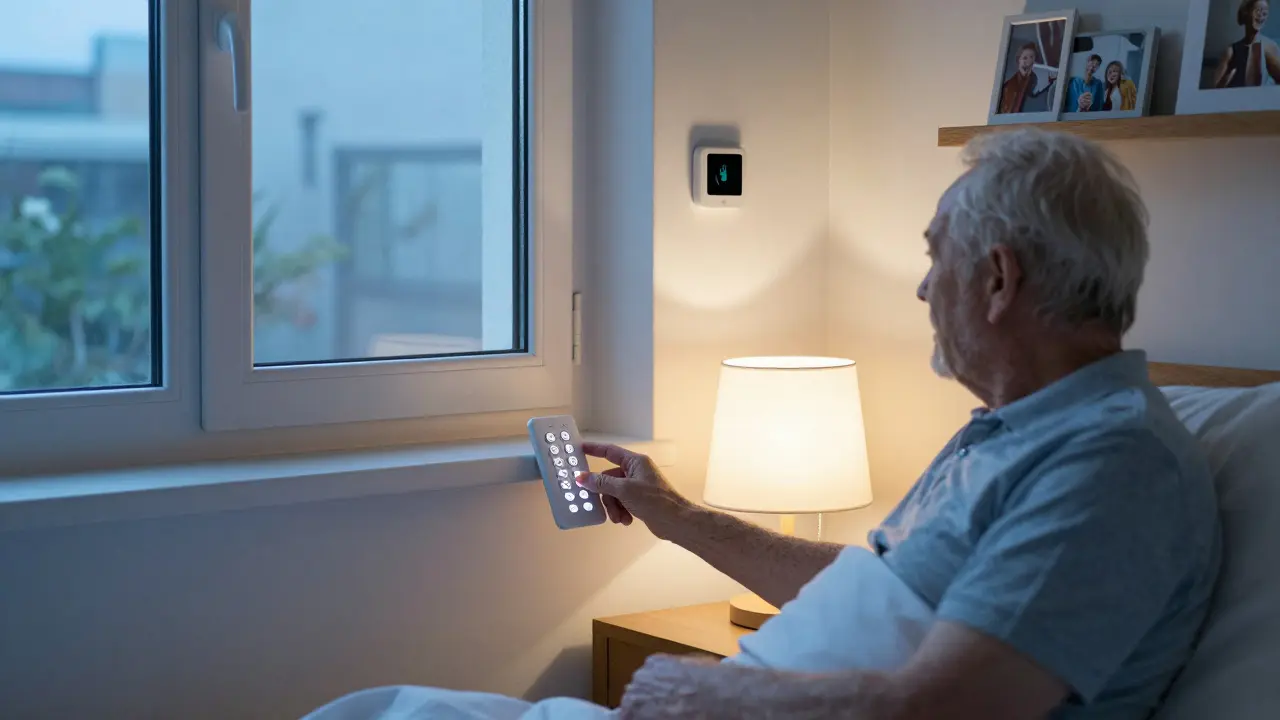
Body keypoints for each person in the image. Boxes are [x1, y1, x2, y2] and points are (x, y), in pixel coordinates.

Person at [303, 129, 1221, 720]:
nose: (918, 288)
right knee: (373, 711)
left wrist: (705, 695)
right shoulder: (1014, 431)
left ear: (997, 280)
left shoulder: (1111, 464)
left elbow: (949, 707)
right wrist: (680, 517)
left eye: (934, 260)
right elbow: (878, 598)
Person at [1212, 0, 1280, 88]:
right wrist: (1227, 78)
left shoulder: (1270, 47)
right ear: (1246, 13)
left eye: (1265, 13)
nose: (1261, 16)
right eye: (1258, 11)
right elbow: (1214, 89)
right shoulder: (1231, 51)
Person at [998, 43, 1058, 113]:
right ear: (1018, 61)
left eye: (1032, 57)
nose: (1029, 61)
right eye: (1025, 58)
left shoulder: (1039, 81)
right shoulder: (1008, 87)